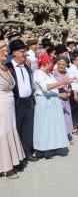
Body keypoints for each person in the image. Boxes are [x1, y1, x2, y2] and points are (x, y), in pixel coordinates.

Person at [6, 39, 38, 164]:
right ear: (14, 53)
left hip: (29, 101)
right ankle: (17, 158)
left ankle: (26, 153)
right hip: (17, 103)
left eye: (25, 51)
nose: (25, 53)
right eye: (22, 51)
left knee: (28, 129)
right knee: (17, 130)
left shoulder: (27, 66)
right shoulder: (8, 68)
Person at [33, 54, 70, 159]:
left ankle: (51, 149)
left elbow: (56, 86)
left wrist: (67, 81)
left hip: (53, 101)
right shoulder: (38, 73)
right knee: (44, 126)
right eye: (51, 62)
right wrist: (61, 82)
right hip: (44, 102)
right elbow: (46, 88)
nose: (52, 65)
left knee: (52, 126)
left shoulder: (49, 74)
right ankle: (41, 150)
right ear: (46, 63)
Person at [0, 39, 25, 179]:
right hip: (1, 109)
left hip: (9, 108)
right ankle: (6, 168)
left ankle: (9, 163)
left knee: (9, 134)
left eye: (6, 50)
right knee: (2, 136)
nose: (5, 52)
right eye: (1, 50)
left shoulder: (6, 67)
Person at [53, 57, 75, 145]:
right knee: (58, 120)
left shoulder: (67, 73)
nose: (61, 66)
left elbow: (70, 85)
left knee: (67, 118)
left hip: (66, 99)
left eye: (63, 64)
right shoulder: (53, 74)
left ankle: (66, 135)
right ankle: (59, 138)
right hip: (57, 98)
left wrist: (69, 92)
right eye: (59, 64)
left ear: (66, 65)